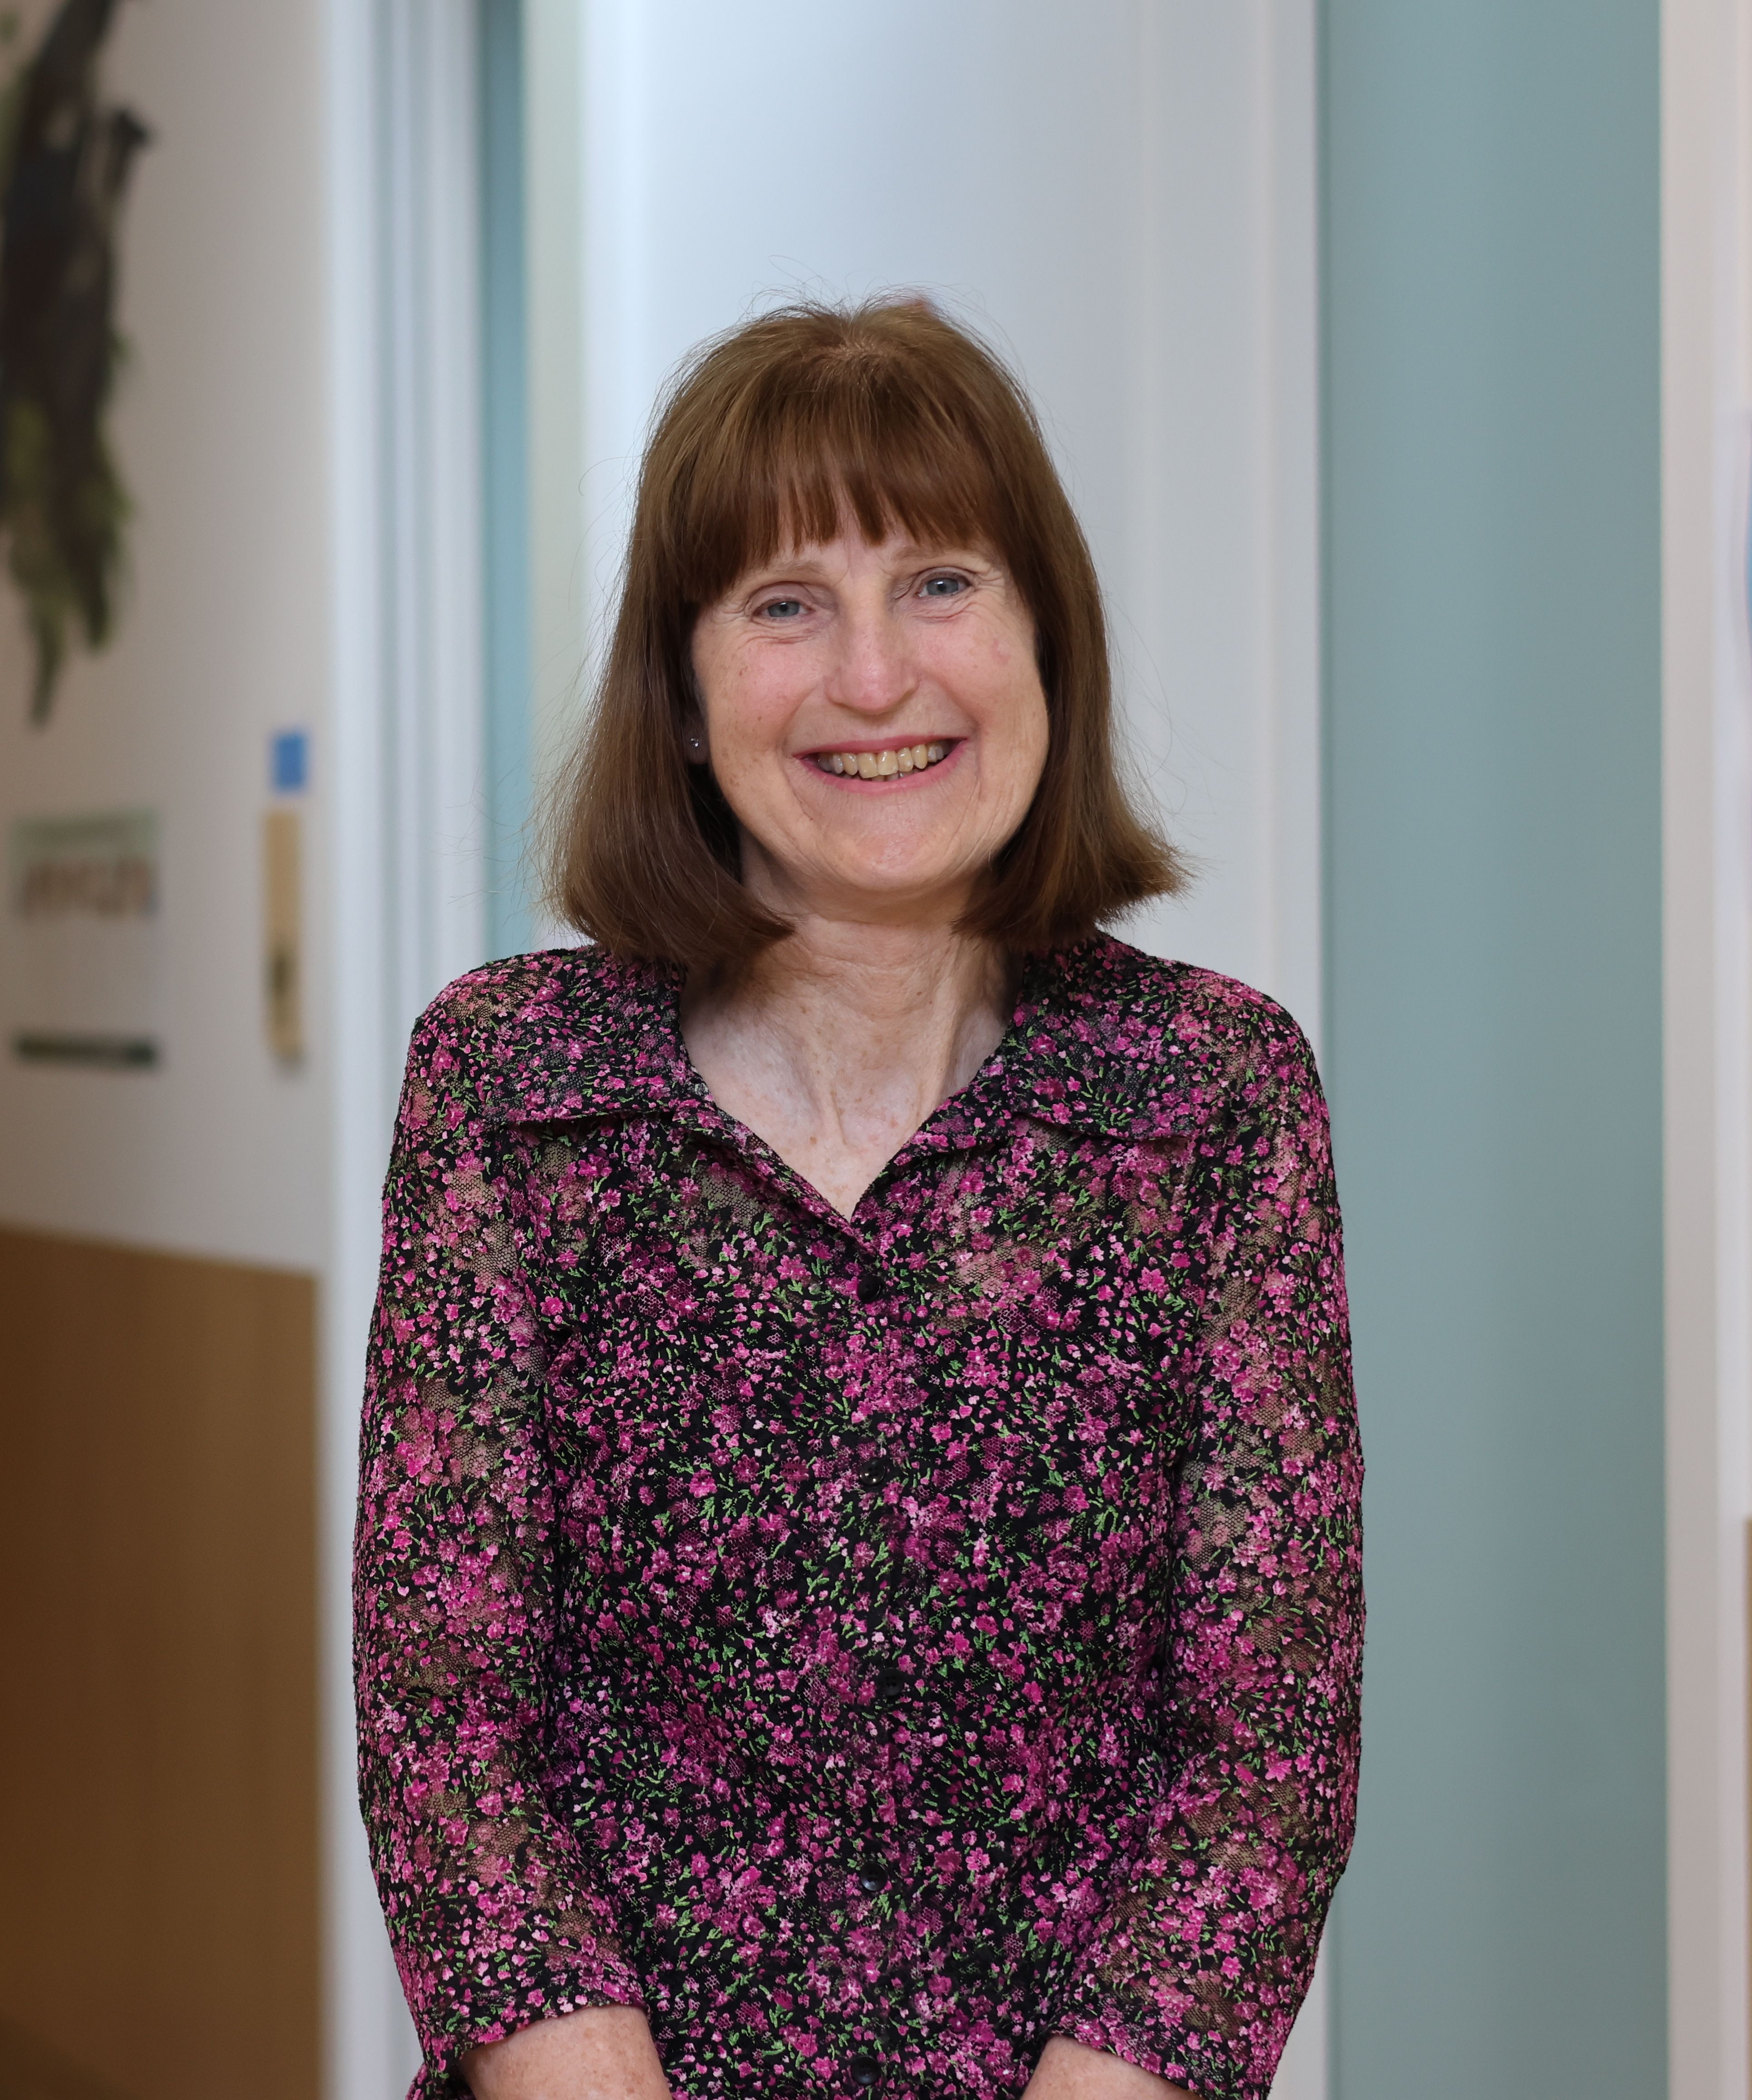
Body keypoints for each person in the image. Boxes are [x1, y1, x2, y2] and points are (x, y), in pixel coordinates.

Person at [353, 296, 1361, 2100]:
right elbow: (448, 1731)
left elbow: (1262, 1759)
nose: (876, 676)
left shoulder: (1212, 1097)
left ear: (1046, 636)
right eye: (787, 602)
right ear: (684, 685)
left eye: (942, 584)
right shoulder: (511, 1086)